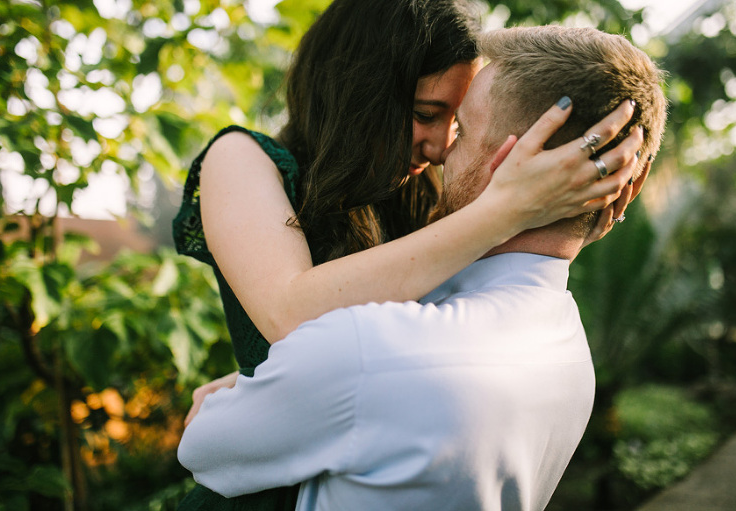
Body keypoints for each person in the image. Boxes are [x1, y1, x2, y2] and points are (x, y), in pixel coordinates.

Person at [177, 25, 667, 511]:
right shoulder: (572, 357)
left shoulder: (371, 351)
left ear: (519, 162)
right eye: (426, 115)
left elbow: (204, 446)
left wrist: (276, 387)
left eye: (461, 128)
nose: (440, 151)